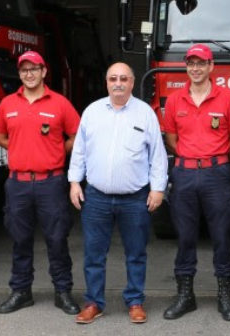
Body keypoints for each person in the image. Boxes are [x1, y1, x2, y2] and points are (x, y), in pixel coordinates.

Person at [67, 62, 168, 325]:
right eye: (113, 78)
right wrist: (74, 182)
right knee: (93, 254)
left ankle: (135, 301)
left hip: (135, 198)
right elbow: (79, 150)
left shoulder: (145, 113)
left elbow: (157, 155)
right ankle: (93, 303)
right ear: (106, 82)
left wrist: (158, 188)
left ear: (133, 83)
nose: (118, 83)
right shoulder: (92, 111)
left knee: (136, 253)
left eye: (124, 78)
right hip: (96, 196)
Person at [0, 51, 81, 315]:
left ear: (44, 72)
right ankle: (21, 292)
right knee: (20, 240)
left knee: (57, 239)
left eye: (34, 69)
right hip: (18, 184)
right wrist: (20, 148)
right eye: (24, 70)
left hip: (50, 183)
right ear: (19, 74)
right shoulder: (8, 103)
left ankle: (63, 292)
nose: (29, 74)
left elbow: (77, 134)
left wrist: (57, 150)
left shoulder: (60, 103)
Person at [161, 44, 230, 321]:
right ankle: (185, 296)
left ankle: (225, 296)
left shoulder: (227, 99)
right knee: (185, 238)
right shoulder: (174, 99)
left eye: (201, 63)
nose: (195, 68)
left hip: (216, 174)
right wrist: (190, 157)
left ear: (211, 66)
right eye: (191, 63)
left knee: (221, 237)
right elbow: (171, 137)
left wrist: (212, 159)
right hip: (183, 174)